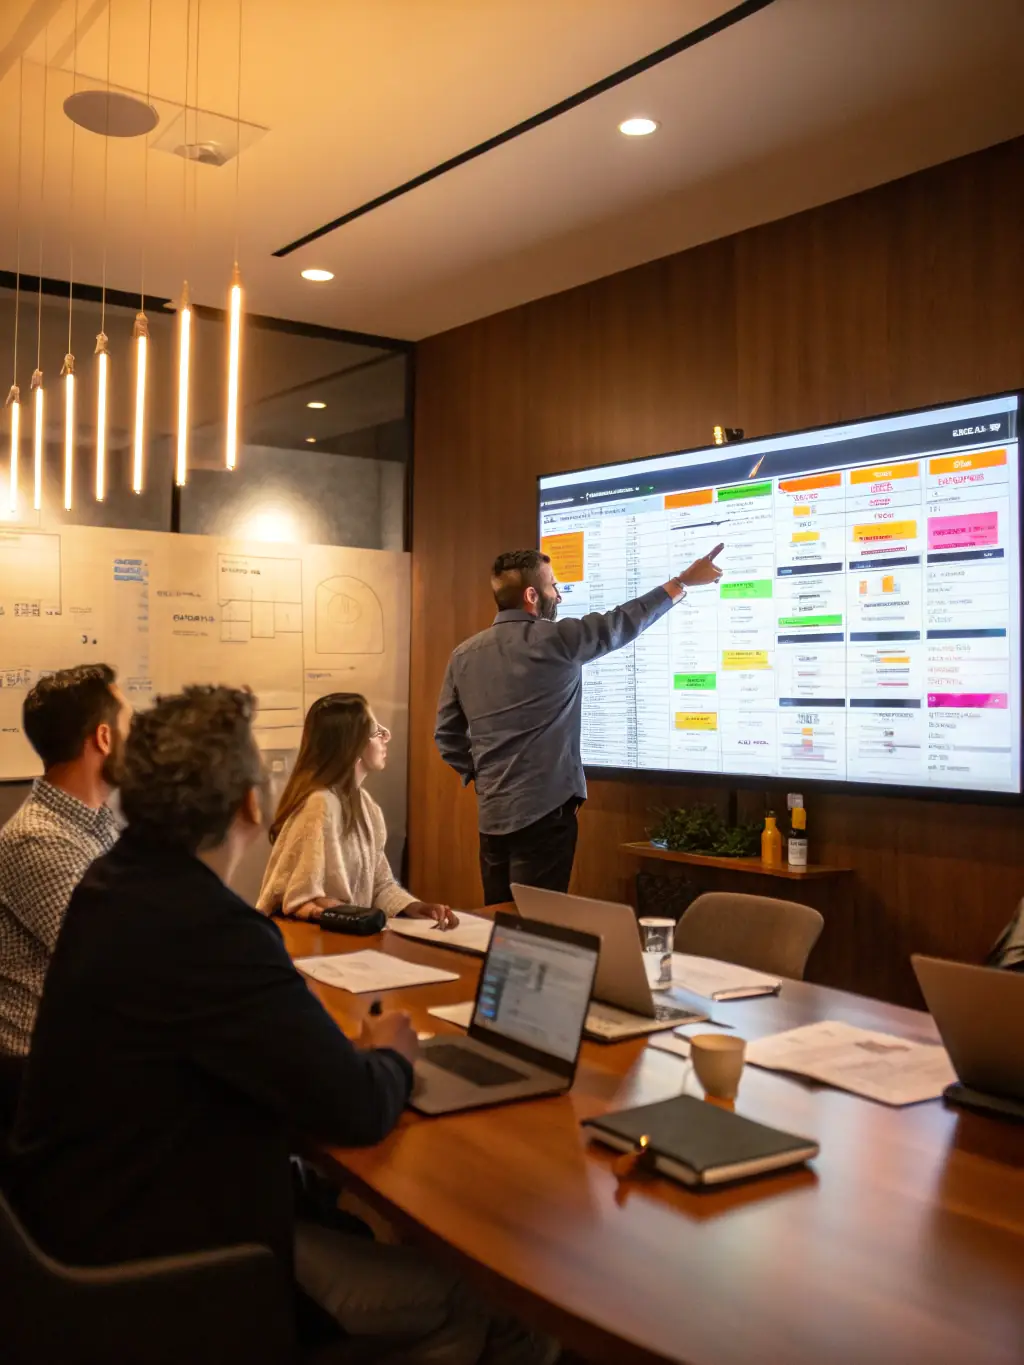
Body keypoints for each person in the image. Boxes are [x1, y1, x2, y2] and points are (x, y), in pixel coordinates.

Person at [8, 685, 555, 1364]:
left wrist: (326, 1052)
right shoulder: (211, 929)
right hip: (177, 1259)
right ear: (250, 804)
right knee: (476, 1302)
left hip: (84, 1219)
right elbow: (357, 1109)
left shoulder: (111, 886)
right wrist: (389, 1053)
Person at [435, 544, 724, 905]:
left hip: (492, 815)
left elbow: (446, 735)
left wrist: (482, 773)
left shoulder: (463, 655)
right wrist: (682, 582)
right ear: (531, 595)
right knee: (537, 925)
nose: (557, 594)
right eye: (553, 586)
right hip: (544, 817)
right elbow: (622, 622)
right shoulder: (557, 640)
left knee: (499, 919)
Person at [0, 663, 128, 1128]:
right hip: (43, 1077)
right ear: (104, 738)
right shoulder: (39, 840)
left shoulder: (98, 825)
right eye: (131, 724)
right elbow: (114, 965)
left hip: (88, 1052)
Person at [259, 691, 457, 928]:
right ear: (351, 744)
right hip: (319, 946)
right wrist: (329, 909)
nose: (387, 735)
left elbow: (380, 884)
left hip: (350, 940)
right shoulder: (319, 804)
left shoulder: (366, 805)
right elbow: (300, 899)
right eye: (375, 731)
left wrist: (416, 907)